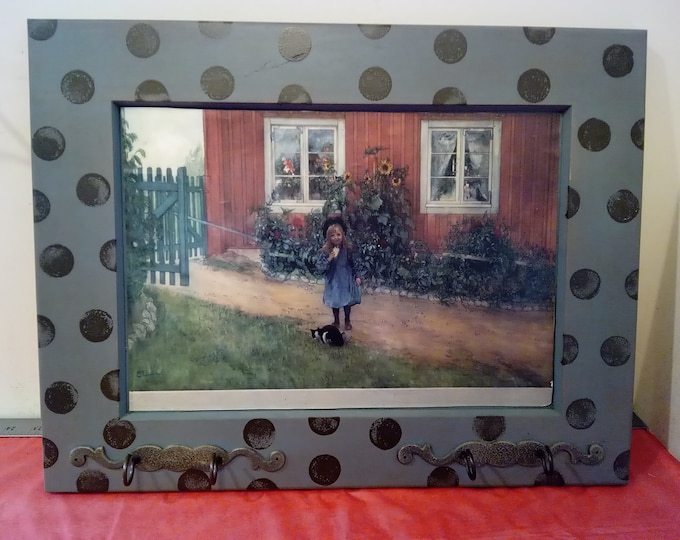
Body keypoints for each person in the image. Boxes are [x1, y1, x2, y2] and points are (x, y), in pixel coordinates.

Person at [316, 217, 361, 330]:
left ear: (343, 235)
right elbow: (320, 267)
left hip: (345, 279)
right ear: (328, 237)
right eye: (332, 235)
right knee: (335, 300)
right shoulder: (325, 251)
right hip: (333, 280)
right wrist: (329, 258)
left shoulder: (347, 249)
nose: (336, 238)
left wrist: (357, 276)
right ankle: (336, 320)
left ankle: (347, 320)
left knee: (347, 301)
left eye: (338, 235)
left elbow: (354, 264)